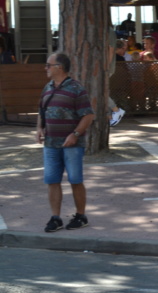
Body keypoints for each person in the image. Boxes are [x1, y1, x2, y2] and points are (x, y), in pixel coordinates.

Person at [37, 53, 95, 232]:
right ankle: (56, 218)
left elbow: (88, 115)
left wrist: (75, 134)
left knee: (75, 180)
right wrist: (39, 128)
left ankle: (81, 215)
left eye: (48, 65)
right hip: (50, 144)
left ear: (59, 67)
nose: (45, 68)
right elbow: (41, 110)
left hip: (72, 144)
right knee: (52, 180)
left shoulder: (76, 89)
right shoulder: (47, 87)